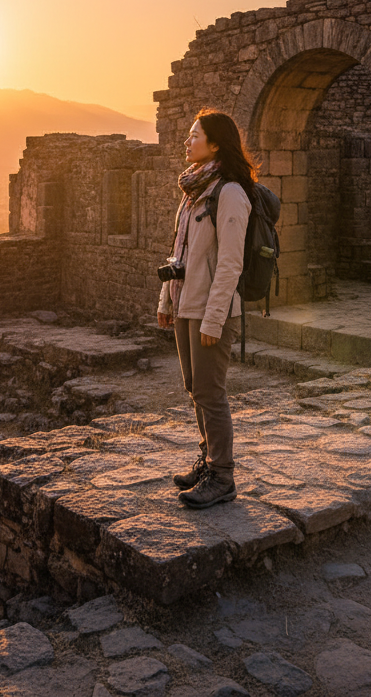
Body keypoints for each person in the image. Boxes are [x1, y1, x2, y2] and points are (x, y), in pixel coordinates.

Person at [157, 108, 257, 509]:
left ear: (215, 144)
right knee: (194, 389)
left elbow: (231, 262)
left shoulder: (230, 193)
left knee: (210, 393)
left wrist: (214, 319)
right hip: (186, 304)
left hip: (211, 309)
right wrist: (166, 300)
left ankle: (223, 475)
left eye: (194, 135)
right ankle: (208, 459)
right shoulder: (193, 191)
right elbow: (179, 252)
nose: (187, 141)